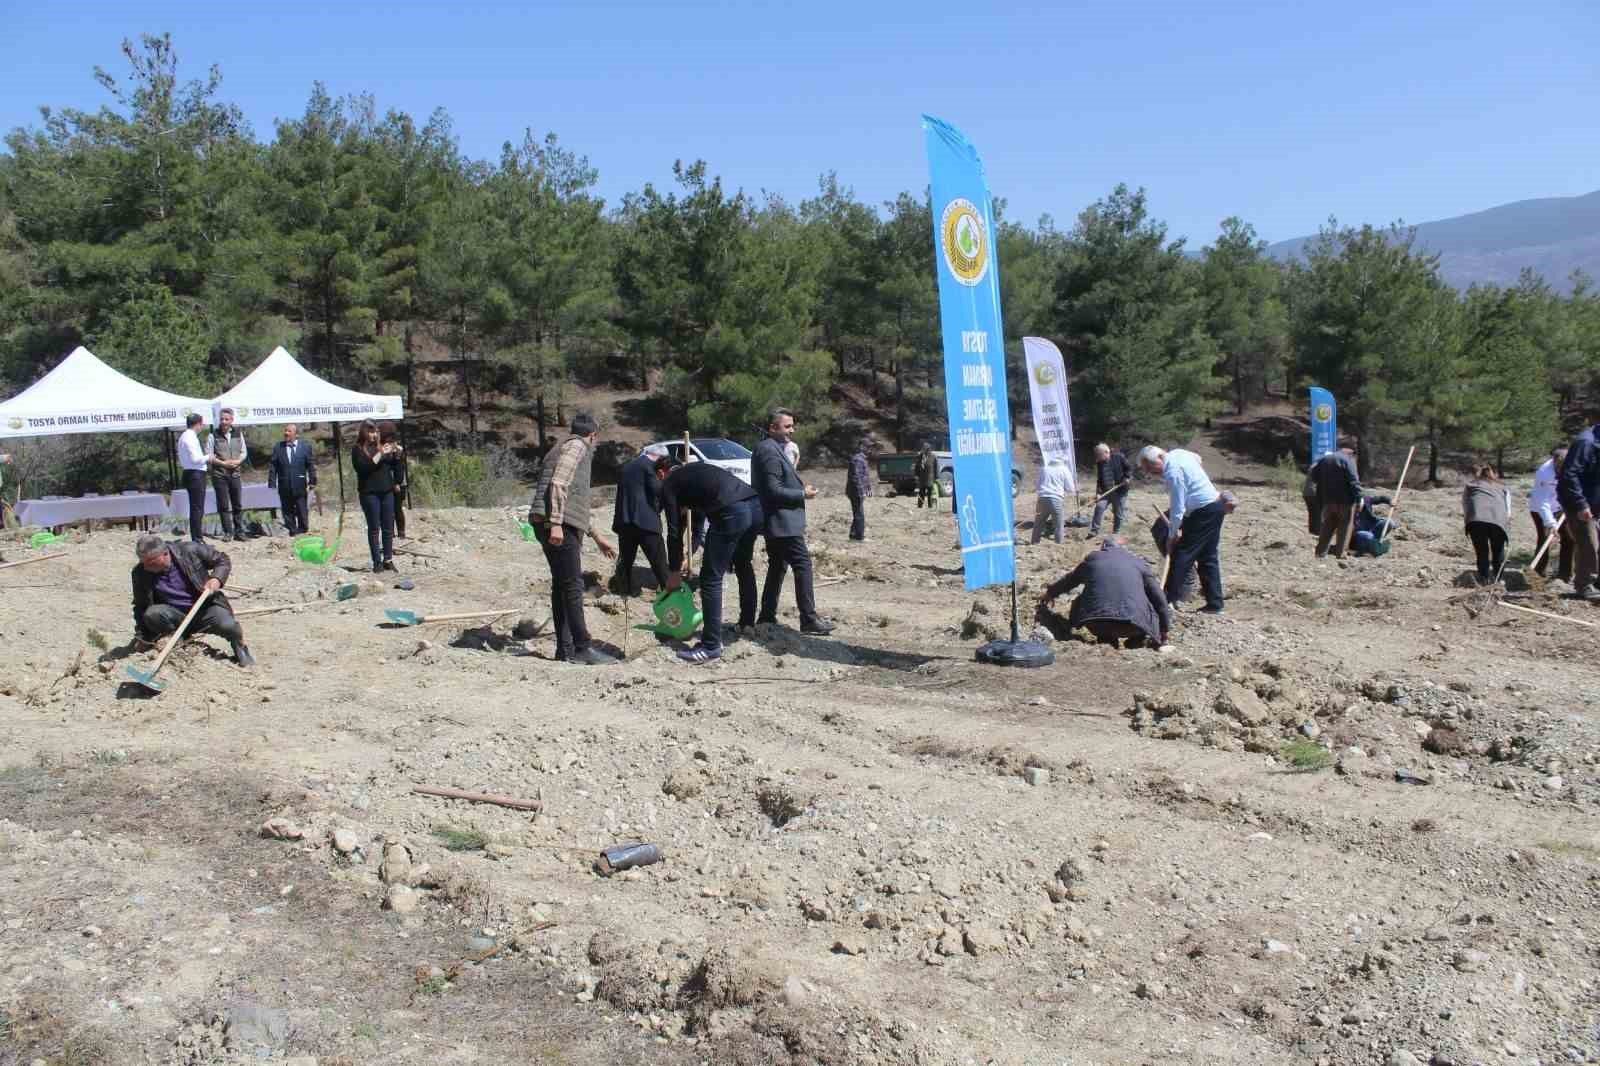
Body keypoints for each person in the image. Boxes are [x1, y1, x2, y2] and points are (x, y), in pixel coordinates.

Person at [528, 412, 618, 664]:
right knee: (573, 586)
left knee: (562, 586)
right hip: (557, 525)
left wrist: (596, 536)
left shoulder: (561, 447)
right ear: (593, 435)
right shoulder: (577, 446)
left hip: (551, 523)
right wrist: (555, 524)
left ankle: (565, 650)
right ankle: (582, 648)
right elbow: (559, 484)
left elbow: (572, 499)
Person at [657, 455, 764, 663]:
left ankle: (710, 646)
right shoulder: (695, 473)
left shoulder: (669, 484)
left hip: (731, 511)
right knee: (743, 564)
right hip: (755, 506)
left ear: (662, 474)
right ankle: (746, 623)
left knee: (710, 578)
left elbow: (674, 532)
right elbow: (693, 523)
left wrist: (674, 572)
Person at [752, 407, 834, 635]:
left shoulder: (772, 448)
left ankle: (766, 615)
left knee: (777, 567)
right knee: (802, 565)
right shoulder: (768, 451)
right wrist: (802, 494)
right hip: (781, 522)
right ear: (772, 428)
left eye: (792, 426)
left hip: (778, 521)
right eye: (787, 426)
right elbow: (772, 490)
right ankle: (808, 619)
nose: (792, 430)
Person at [131, 533, 254, 666]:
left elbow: (222, 560)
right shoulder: (140, 572)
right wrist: (142, 637)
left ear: (165, 554)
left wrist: (216, 578)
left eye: (151, 562)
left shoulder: (189, 551)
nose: (146, 567)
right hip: (175, 617)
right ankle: (180, 640)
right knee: (152, 613)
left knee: (228, 625)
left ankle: (240, 647)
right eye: (143, 562)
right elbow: (141, 606)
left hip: (205, 609)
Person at [1138, 445, 1225, 614]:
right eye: (1147, 469)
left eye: (1151, 467)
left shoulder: (1173, 471)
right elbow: (1198, 459)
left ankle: (1165, 601)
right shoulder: (1179, 453)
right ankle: (1215, 604)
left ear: (1160, 457)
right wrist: (1195, 480)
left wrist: (1172, 536)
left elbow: (1178, 508)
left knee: (1182, 554)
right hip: (1215, 506)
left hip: (1203, 511)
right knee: (1208, 557)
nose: (1151, 472)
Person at [1039, 538, 1170, 648]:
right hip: (1133, 624)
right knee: (1147, 603)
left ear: (1103, 548)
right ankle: (1136, 641)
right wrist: (1164, 630)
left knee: (1085, 600)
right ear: (1123, 549)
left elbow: (1069, 581)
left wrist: (1050, 593)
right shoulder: (1139, 563)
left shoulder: (1093, 559)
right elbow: (1159, 599)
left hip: (1096, 623)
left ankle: (1106, 640)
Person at [611, 445, 671, 595]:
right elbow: (658, 490)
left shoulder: (628, 466)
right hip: (646, 522)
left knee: (626, 561)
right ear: (659, 458)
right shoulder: (648, 467)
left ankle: (624, 593)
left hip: (624, 521)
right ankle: (670, 596)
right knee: (659, 564)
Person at [351, 419, 402, 572]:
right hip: (369, 493)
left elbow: (398, 475)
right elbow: (363, 468)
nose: (373, 435)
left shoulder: (382, 447)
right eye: (370, 431)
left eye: (375, 431)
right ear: (363, 432)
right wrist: (381, 454)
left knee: (388, 527)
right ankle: (377, 562)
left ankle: (388, 559)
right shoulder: (357, 449)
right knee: (374, 528)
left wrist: (398, 456)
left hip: (387, 492)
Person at [1558, 419, 1600, 601]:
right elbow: (1570, 475)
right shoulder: (1585, 442)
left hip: (1595, 502)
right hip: (1579, 503)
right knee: (1589, 543)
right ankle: (1584, 585)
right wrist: (1581, 504)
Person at [1528, 446, 1573, 582]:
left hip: (1561, 506)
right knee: (1545, 538)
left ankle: (1564, 574)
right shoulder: (1544, 473)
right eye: (1559, 468)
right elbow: (1543, 501)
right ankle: (1538, 573)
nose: (1561, 470)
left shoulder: (1572, 464)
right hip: (1540, 509)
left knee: (1569, 538)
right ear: (1554, 462)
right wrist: (1550, 523)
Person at [1462, 465, 1511, 585]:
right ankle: (1498, 579)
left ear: (1479, 474)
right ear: (1495, 474)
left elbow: (1465, 505)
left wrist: (1468, 520)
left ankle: (1484, 578)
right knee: (1498, 551)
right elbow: (1508, 511)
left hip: (1476, 520)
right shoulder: (1503, 487)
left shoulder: (1471, 485)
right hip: (1497, 522)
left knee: (1481, 551)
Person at [205, 407, 248, 542]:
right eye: (222, 419)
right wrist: (223, 464)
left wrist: (238, 461)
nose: (224, 421)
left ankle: (239, 532)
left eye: (226, 419)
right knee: (223, 505)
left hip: (235, 473)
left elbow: (244, 452)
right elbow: (209, 456)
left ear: (231, 420)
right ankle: (228, 532)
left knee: (237, 504)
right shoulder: (213, 435)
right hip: (220, 475)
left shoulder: (238, 433)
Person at [1313, 447, 1363, 559]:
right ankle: (1341, 554)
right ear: (1352, 454)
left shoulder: (1324, 459)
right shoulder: (1348, 460)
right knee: (1344, 527)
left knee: (1327, 527)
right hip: (1345, 501)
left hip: (1328, 501)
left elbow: (1314, 477)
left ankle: (1320, 553)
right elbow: (1354, 481)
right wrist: (1359, 498)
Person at [267, 424, 316, 535]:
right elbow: (273, 466)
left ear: (296, 434)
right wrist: (272, 482)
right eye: (285, 431)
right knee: (287, 509)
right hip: (284, 483)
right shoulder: (278, 447)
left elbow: (310, 465)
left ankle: (303, 528)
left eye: (289, 431)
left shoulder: (305, 447)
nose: (286, 433)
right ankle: (292, 530)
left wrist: (312, 481)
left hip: (300, 483)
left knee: (301, 507)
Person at [177, 413, 209, 542]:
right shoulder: (190, 437)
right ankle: (197, 538)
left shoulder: (185, 436)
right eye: (201, 424)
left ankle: (197, 537)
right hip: (195, 474)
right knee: (197, 508)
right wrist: (209, 457)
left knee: (196, 507)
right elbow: (196, 459)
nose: (202, 427)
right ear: (198, 424)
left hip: (191, 473)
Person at [1090, 443, 1131, 535]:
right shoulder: (1100, 463)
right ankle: (1094, 530)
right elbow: (1099, 479)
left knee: (1118, 513)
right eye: (1097, 455)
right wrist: (1098, 493)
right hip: (1106, 491)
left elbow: (1128, 468)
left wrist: (1127, 477)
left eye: (1099, 454)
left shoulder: (1119, 457)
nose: (1097, 457)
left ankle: (1116, 533)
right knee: (1099, 507)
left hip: (1120, 491)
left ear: (1106, 452)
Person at [380, 422, 409, 539]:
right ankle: (390, 532)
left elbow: (399, 468)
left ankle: (401, 532)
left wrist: (397, 483)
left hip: (398, 483)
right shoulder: (381, 449)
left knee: (397, 509)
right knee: (388, 510)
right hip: (386, 483)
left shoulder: (398, 449)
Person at [1032, 457, 1070, 544]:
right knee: (1058, 524)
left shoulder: (1043, 469)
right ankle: (1058, 544)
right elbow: (1070, 487)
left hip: (1042, 498)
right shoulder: (1064, 470)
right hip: (1056, 498)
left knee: (1038, 523)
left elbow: (1037, 485)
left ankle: (1034, 543)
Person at [846, 438, 872, 541]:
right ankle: (859, 537)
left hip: (858, 491)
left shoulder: (862, 459)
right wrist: (862, 492)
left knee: (857, 513)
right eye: (868, 447)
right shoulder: (858, 459)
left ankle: (853, 534)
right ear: (862, 447)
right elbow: (856, 477)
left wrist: (868, 488)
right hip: (856, 491)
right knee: (859, 514)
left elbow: (864, 476)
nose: (870, 449)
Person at [914, 443, 937, 509]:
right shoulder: (920, 456)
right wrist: (916, 475)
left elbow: (936, 467)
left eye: (924, 449)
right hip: (922, 478)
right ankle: (920, 506)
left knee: (930, 493)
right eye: (923, 448)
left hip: (930, 477)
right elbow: (917, 466)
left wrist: (936, 477)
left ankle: (930, 506)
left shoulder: (933, 456)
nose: (923, 450)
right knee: (921, 492)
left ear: (928, 449)